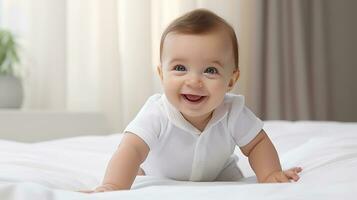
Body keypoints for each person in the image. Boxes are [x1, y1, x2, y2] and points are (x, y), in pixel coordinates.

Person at [89, 9, 302, 192]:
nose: (194, 81)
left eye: (210, 70)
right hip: (161, 177)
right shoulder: (156, 113)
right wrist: (113, 186)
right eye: (180, 68)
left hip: (220, 176)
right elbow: (131, 149)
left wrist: (270, 174)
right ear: (162, 74)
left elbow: (257, 144)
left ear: (231, 80)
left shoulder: (233, 111)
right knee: (138, 168)